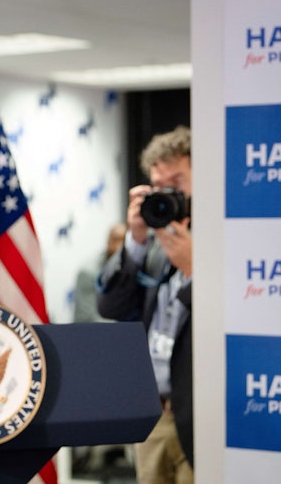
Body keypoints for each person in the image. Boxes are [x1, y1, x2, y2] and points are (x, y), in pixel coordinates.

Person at [96, 125, 193, 484]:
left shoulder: (225, 238)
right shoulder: (152, 245)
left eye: (177, 183)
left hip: (203, 413)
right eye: (158, 186)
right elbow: (111, 307)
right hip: (155, 413)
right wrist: (135, 239)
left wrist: (193, 270)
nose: (166, 194)